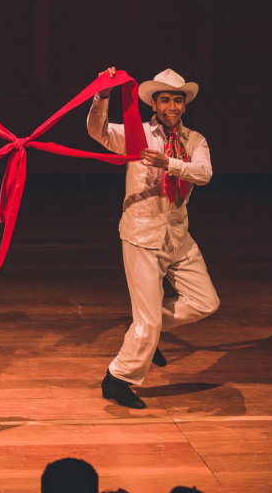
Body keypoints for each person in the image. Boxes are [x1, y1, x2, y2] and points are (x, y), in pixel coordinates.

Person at [87, 67, 219, 409]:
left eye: (178, 99)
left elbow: (204, 173)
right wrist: (103, 94)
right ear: (154, 104)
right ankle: (117, 378)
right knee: (147, 322)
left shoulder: (194, 140)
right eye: (166, 100)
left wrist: (170, 163)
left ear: (184, 105)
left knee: (206, 303)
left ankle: (148, 331)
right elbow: (98, 132)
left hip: (177, 236)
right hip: (141, 236)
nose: (172, 106)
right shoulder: (138, 135)